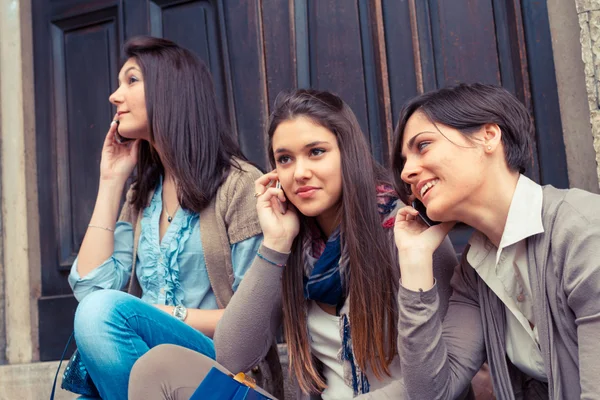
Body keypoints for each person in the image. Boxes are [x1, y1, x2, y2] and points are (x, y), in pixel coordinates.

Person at [127, 89, 459, 400]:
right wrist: (275, 243)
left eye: (316, 152)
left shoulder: (410, 237)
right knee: (159, 366)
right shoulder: (294, 244)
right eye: (285, 159)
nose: (299, 172)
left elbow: (439, 380)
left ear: (349, 154)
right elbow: (232, 355)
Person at [68, 36, 265, 400]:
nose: (114, 95)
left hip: (221, 368)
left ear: (169, 90)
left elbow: (254, 322)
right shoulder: (142, 196)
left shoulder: (240, 186)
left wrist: (160, 313)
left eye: (131, 80)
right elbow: (91, 293)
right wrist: (111, 181)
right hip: (147, 368)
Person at [391, 82, 600, 399]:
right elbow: (430, 392)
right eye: (405, 160)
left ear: (488, 136)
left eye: (422, 146)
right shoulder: (474, 270)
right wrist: (414, 260)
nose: (407, 172)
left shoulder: (583, 231)